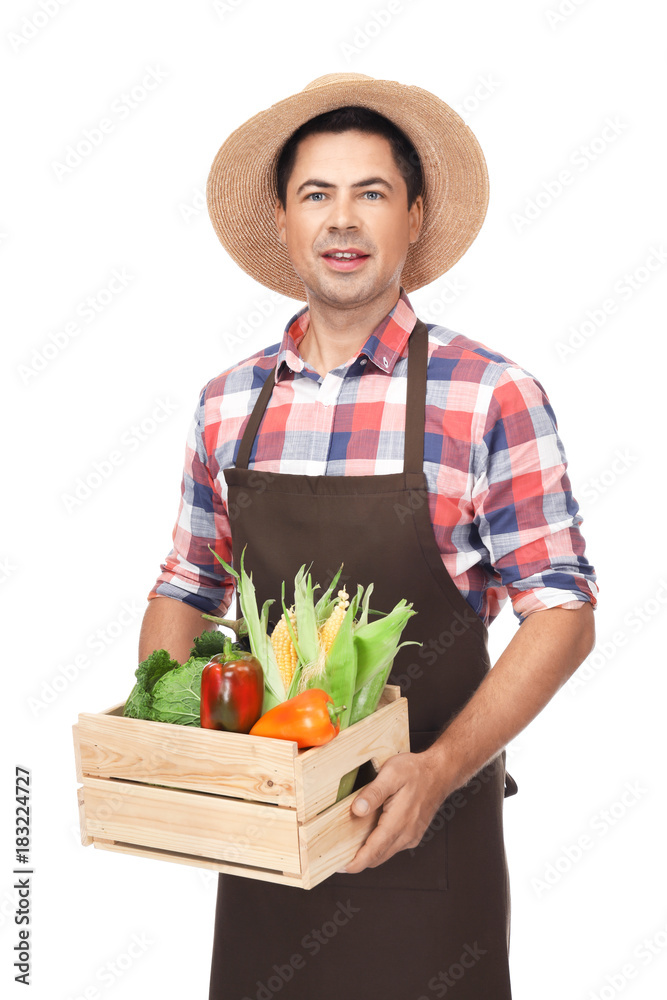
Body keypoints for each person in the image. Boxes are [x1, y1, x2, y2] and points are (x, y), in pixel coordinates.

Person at [140, 73, 597, 999]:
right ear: (282, 220)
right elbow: (187, 586)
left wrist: (436, 772)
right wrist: (176, 746)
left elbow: (561, 607)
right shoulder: (228, 402)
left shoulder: (487, 394)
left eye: (370, 194)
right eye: (317, 194)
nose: (341, 221)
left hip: (427, 836)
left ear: (414, 217)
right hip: (265, 846)